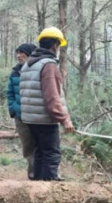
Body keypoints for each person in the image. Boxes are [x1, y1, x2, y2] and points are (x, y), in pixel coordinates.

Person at [20, 27, 75, 181]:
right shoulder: (48, 65)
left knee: (39, 153)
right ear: (55, 46)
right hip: (45, 120)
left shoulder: (28, 64)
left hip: (31, 119)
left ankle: (37, 192)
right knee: (51, 155)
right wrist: (64, 119)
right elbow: (52, 97)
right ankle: (49, 196)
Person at [7, 43, 37, 179]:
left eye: (21, 52)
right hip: (20, 116)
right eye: (17, 52)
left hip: (37, 116)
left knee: (42, 146)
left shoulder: (37, 69)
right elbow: (10, 93)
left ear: (30, 54)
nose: (18, 55)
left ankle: (44, 175)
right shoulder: (14, 72)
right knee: (28, 148)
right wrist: (12, 109)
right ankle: (32, 175)